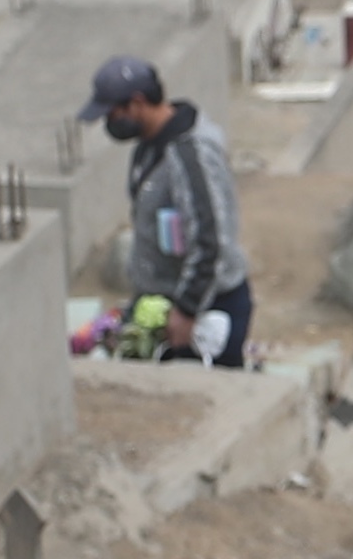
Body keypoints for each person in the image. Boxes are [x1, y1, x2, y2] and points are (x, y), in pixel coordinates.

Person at [86, 55, 250, 369]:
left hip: (204, 309)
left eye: (112, 113)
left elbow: (210, 239)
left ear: (136, 104)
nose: (109, 123)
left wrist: (187, 311)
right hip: (161, 301)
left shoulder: (192, 154)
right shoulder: (149, 147)